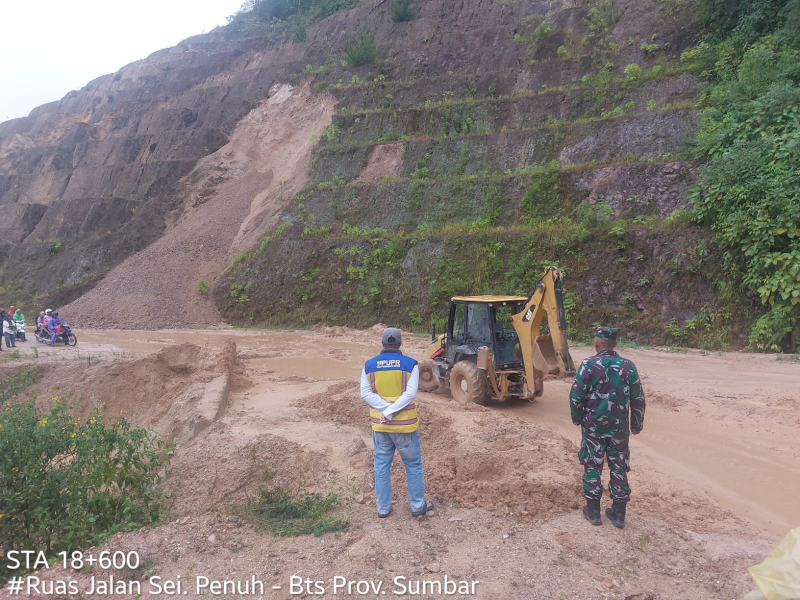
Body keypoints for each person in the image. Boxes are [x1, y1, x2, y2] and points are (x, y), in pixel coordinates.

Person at [569, 326, 646, 529]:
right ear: (616, 344)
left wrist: (577, 418)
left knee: (592, 464)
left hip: (593, 427)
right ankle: (618, 514)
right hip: (619, 429)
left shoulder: (588, 364)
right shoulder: (628, 366)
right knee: (618, 466)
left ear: (596, 343)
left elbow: (576, 396)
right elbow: (638, 399)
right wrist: (636, 424)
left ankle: (593, 511)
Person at [360, 327, 434, 519]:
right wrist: (391, 411)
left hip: (381, 425)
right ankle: (417, 506)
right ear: (401, 344)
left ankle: (383, 508)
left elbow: (365, 393)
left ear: (382, 343)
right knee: (413, 464)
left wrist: (385, 411)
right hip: (405, 426)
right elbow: (410, 394)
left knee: (381, 466)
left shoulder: (369, 365)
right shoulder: (410, 364)